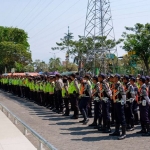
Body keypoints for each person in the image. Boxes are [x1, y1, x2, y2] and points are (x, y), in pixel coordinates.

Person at [109, 74, 126, 140]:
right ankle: (117, 131)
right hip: (115, 103)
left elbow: (123, 94)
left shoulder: (120, 85)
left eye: (115, 77)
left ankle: (124, 133)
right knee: (116, 117)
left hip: (119, 103)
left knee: (121, 118)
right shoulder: (114, 85)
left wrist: (124, 103)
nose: (113, 78)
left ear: (117, 78)